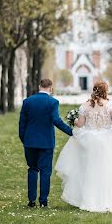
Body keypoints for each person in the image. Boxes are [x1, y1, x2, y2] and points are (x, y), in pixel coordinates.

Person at [55, 82, 112, 212]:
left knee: (89, 170)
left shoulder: (84, 106)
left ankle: (89, 200)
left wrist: (73, 120)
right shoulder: (110, 105)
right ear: (105, 91)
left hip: (89, 140)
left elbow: (80, 124)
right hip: (108, 140)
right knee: (109, 169)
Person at [19, 78, 72, 208]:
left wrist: (24, 139)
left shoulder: (27, 101)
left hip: (30, 142)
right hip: (46, 143)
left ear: (39, 86)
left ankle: (31, 201)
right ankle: (43, 202)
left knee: (32, 170)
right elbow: (56, 120)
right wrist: (71, 132)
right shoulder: (53, 102)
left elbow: (22, 124)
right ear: (51, 88)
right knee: (45, 172)